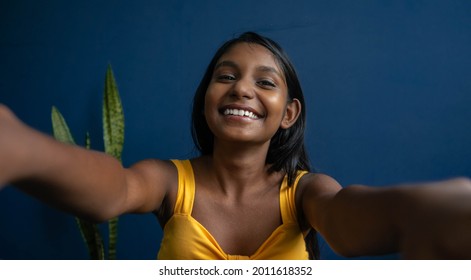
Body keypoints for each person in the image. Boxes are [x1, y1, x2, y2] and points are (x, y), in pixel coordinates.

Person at [1, 32, 471, 260]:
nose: (241, 89)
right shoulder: (169, 180)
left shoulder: (306, 193)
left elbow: (351, 219)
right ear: (207, 99)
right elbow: (113, 191)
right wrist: (20, 146)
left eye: (264, 82)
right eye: (225, 76)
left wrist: (426, 211)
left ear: (289, 113)